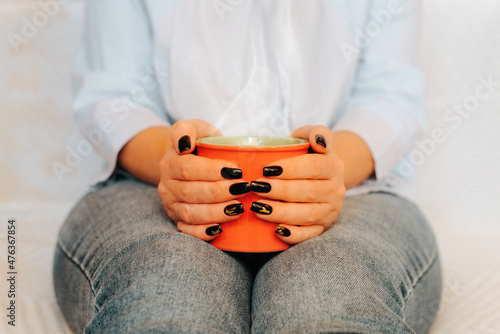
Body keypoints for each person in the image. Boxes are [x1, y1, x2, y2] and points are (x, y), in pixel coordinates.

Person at [53, 0, 442, 333]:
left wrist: (327, 173)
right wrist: (180, 168)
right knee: (169, 290)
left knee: (326, 297)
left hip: (356, 192)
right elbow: (112, 98)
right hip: (151, 186)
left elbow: (390, 97)